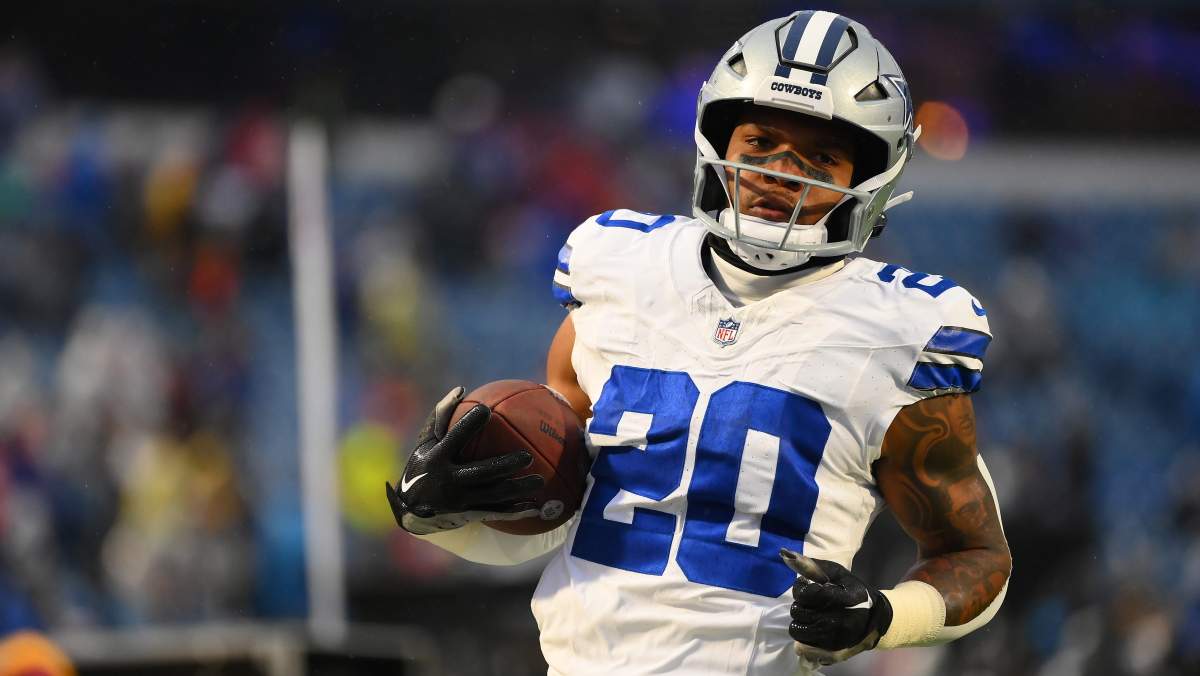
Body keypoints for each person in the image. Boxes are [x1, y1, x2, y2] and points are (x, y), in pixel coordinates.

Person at [387, 9, 1011, 675]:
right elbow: (557, 513)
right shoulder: (618, 271)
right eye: (761, 141)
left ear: (872, 175)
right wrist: (446, 514)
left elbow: (975, 556)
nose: (782, 171)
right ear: (717, 139)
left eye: (821, 156)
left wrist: (882, 618)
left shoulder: (898, 329)